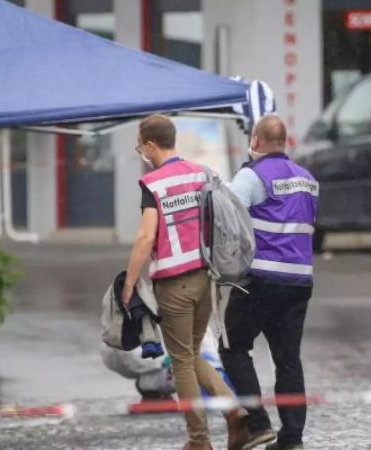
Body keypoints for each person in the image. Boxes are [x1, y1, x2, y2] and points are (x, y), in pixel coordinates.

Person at [122, 114, 247, 450]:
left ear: (150, 144)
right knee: (191, 355)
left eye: (140, 145)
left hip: (173, 285)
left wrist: (129, 283)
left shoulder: (153, 183)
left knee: (181, 361)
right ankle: (234, 410)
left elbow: (146, 236)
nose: (141, 152)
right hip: (206, 279)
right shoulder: (199, 173)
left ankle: (199, 440)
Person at [220, 116, 318, 450]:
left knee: (233, 347)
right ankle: (292, 439)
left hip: (259, 278)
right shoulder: (308, 180)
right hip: (299, 281)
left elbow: (225, 216)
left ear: (256, 141)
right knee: (288, 359)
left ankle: (258, 423)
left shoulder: (252, 175)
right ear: (285, 141)